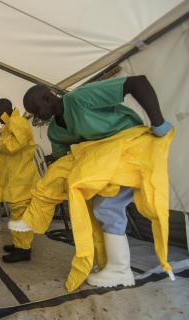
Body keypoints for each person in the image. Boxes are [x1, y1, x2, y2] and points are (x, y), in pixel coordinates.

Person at [21, 76, 172, 288]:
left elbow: (137, 82)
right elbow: (66, 159)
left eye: (37, 110)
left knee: (107, 207)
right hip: (103, 161)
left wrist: (158, 122)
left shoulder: (79, 98)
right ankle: (110, 264)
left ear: (47, 97)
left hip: (129, 147)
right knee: (97, 210)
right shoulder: (55, 130)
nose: (38, 116)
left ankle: (120, 270)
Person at [0, 99, 39, 263]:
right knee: (17, 213)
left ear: (3, 112)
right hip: (15, 180)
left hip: (21, 179)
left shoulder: (18, 122)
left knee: (21, 214)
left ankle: (23, 250)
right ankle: (20, 244)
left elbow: (13, 145)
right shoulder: (11, 124)